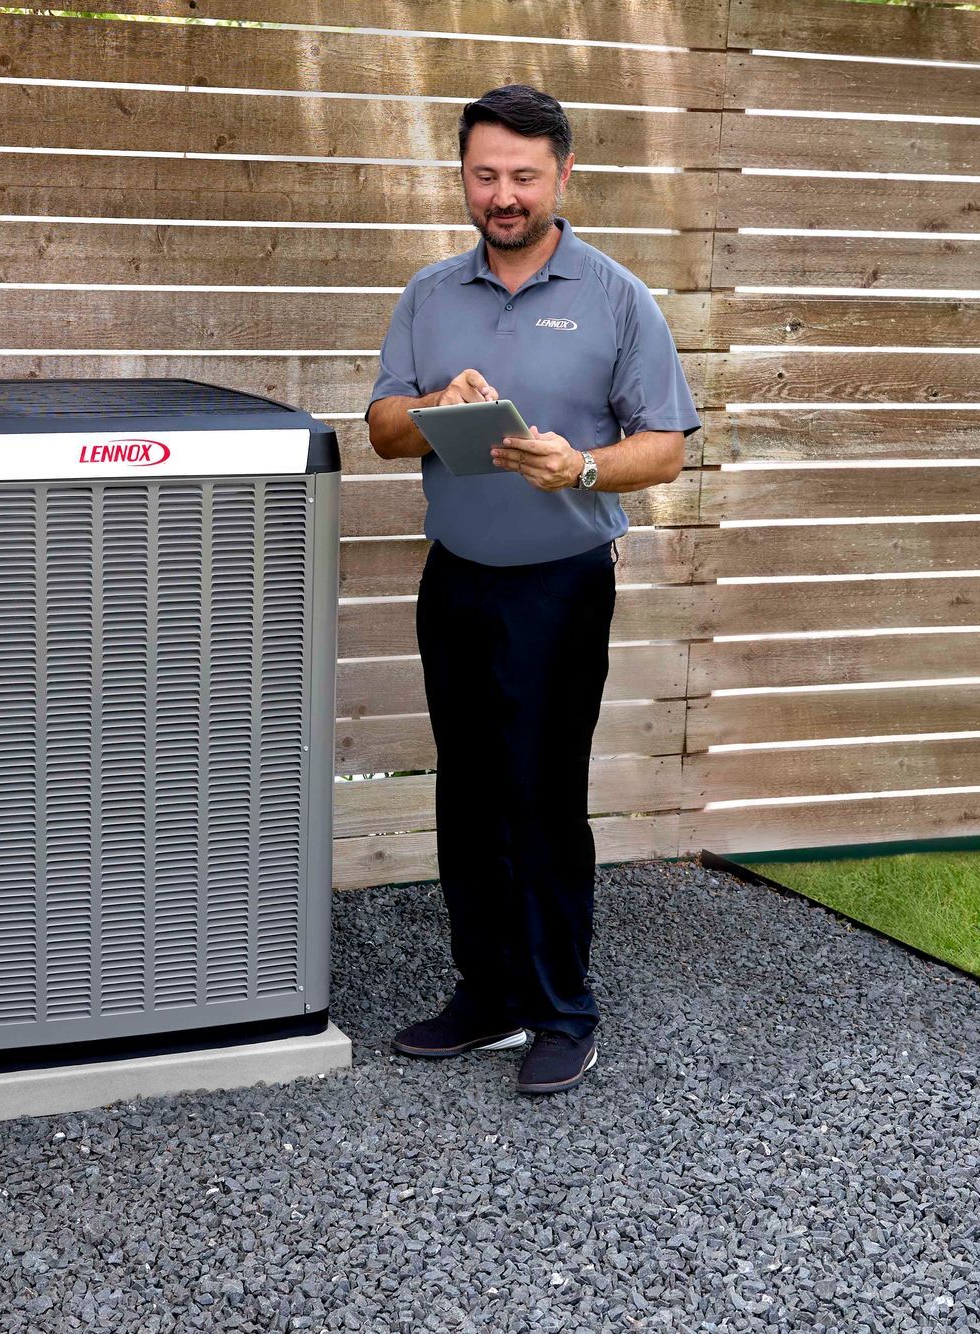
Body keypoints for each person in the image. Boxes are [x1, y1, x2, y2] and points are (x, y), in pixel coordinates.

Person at [364, 84, 700, 1095]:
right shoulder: (429, 293)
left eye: (521, 175)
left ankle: (562, 1009)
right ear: (464, 175)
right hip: (455, 580)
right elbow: (380, 429)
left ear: (561, 175)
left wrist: (582, 467)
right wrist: (433, 405)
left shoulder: (614, 296)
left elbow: (667, 449)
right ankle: (488, 994)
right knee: (466, 790)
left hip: (559, 585)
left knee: (543, 796)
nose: (501, 194)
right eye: (484, 173)